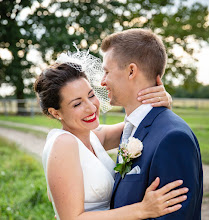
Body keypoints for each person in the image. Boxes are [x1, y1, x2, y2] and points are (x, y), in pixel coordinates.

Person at [34, 61, 188, 220]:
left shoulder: (93, 136)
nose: (92, 107)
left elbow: (140, 123)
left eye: (91, 95)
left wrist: (162, 101)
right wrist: (143, 210)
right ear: (56, 113)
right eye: (77, 103)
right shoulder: (64, 144)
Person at [101, 28, 203, 219]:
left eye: (106, 72)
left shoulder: (173, 138)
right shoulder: (134, 128)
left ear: (131, 71)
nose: (102, 81)